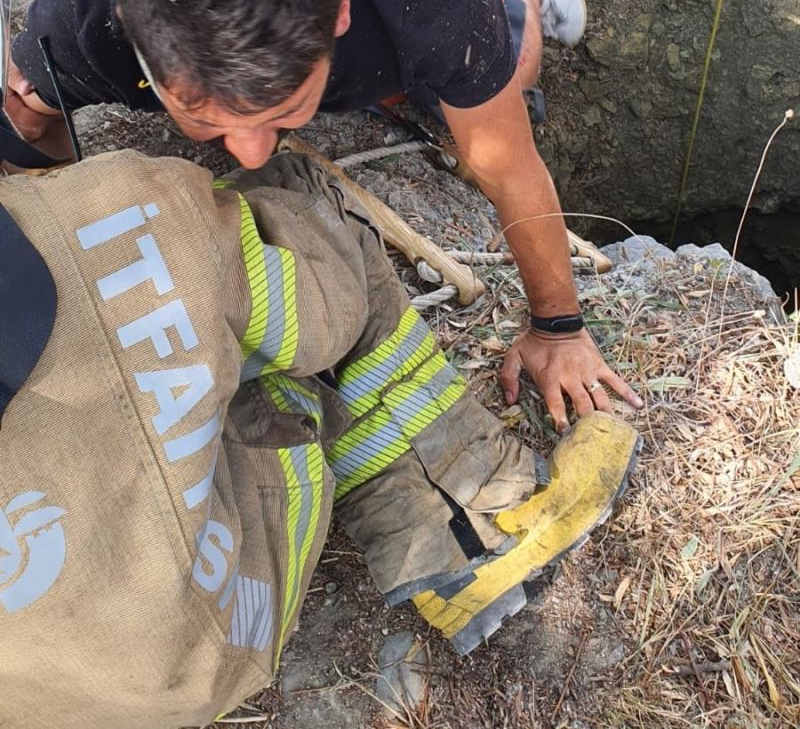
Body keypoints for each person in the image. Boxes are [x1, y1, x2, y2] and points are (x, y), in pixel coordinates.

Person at [0, 142, 639, 726]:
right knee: (297, 210)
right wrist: (558, 326)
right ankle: (471, 524)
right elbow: (313, 319)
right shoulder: (100, 210)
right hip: (203, 647)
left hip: (64, 703)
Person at [8, 0, 644, 433]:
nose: (254, 156)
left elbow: (509, 167)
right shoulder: (83, 20)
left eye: (284, 112)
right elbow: (29, 127)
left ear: (339, 10)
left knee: (512, 76)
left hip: (395, 19)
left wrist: (557, 327)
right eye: (206, 120)